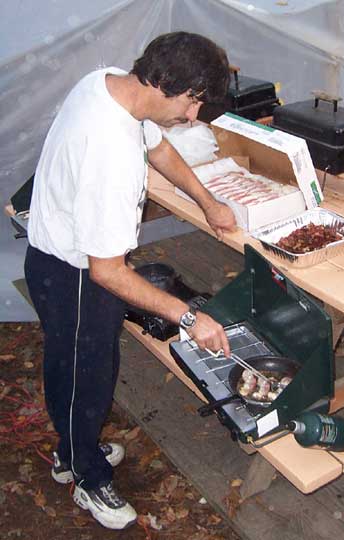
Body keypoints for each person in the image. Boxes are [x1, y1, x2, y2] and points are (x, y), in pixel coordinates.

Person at [24, 31, 236, 530]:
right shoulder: (111, 152)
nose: (192, 118)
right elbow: (108, 270)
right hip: (73, 273)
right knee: (85, 378)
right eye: (190, 104)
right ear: (163, 82)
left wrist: (209, 203)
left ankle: (71, 449)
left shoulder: (108, 85)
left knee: (78, 368)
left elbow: (159, 150)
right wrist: (189, 316)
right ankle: (84, 474)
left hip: (61, 257)